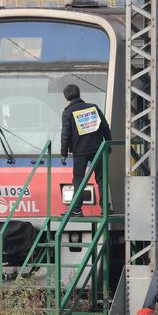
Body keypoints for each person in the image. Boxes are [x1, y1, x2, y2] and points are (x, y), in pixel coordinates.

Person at [60, 83, 111, 217]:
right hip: (98, 149)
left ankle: (76, 209)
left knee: (78, 179)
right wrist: (108, 143)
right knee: (101, 178)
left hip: (79, 151)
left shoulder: (68, 112)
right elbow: (105, 126)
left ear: (66, 97)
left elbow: (66, 133)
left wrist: (64, 153)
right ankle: (105, 208)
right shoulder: (93, 107)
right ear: (79, 93)